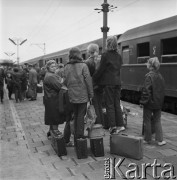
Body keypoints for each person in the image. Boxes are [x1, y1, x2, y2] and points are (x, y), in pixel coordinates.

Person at [93, 36, 125, 134]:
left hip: (109, 83)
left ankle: (113, 126)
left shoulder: (105, 55)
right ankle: (120, 125)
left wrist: (93, 77)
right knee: (117, 104)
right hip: (118, 82)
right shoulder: (119, 56)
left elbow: (100, 69)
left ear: (108, 44)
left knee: (109, 104)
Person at [64, 47, 94, 140]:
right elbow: (88, 81)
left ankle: (74, 134)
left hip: (71, 95)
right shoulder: (83, 66)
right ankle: (79, 135)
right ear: (79, 55)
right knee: (81, 115)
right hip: (82, 95)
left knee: (75, 115)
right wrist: (91, 94)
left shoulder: (66, 66)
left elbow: (65, 81)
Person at [140, 57, 166, 146]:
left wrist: (143, 102)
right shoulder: (160, 76)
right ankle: (160, 140)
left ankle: (147, 139)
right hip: (158, 102)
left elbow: (146, 91)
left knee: (147, 120)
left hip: (149, 103)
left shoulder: (148, 76)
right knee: (157, 120)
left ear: (150, 65)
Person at [43, 60, 63, 137]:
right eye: (52, 67)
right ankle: (55, 131)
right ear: (48, 67)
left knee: (52, 115)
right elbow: (59, 87)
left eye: (55, 66)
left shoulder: (50, 74)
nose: (54, 68)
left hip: (50, 98)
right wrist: (61, 81)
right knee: (55, 116)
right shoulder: (50, 76)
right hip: (53, 99)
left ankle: (51, 131)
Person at [85, 43, 104, 125]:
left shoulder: (87, 62)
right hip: (100, 86)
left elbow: (87, 76)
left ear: (89, 52)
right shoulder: (101, 61)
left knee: (94, 106)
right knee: (99, 106)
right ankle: (101, 123)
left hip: (92, 87)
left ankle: (97, 124)